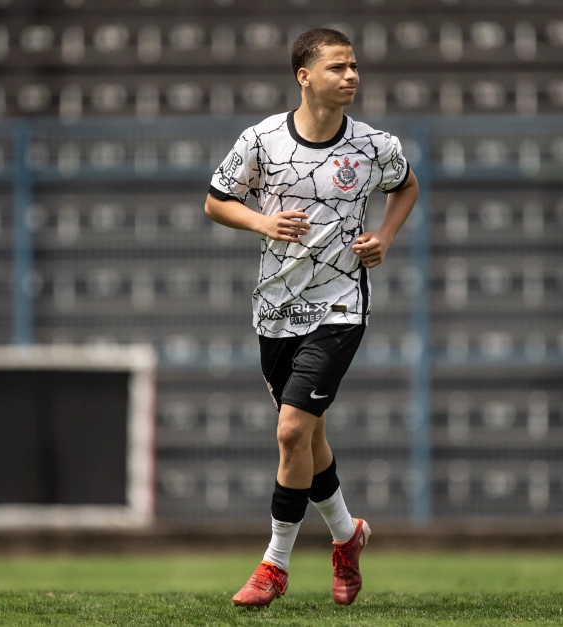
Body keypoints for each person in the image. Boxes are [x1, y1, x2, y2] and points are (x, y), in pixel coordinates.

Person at [203, 27, 419, 608]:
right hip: (275, 308)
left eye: (354, 67)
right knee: (310, 436)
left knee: (292, 430)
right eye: (337, 68)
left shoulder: (375, 146)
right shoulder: (262, 140)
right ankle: (348, 536)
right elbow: (216, 200)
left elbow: (406, 186)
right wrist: (261, 223)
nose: (351, 76)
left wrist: (386, 237)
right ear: (304, 76)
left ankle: (273, 566)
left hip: (341, 304)